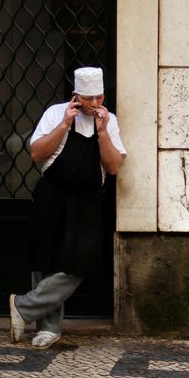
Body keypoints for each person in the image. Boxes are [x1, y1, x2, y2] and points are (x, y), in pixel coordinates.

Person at [9, 66, 126, 349]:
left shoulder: (108, 121)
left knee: (82, 260)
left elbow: (113, 167)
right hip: (52, 194)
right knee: (45, 257)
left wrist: (102, 132)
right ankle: (48, 328)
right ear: (76, 96)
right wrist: (63, 125)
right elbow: (37, 154)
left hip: (86, 198)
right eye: (89, 99)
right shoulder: (54, 113)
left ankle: (23, 307)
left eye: (99, 98)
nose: (95, 104)